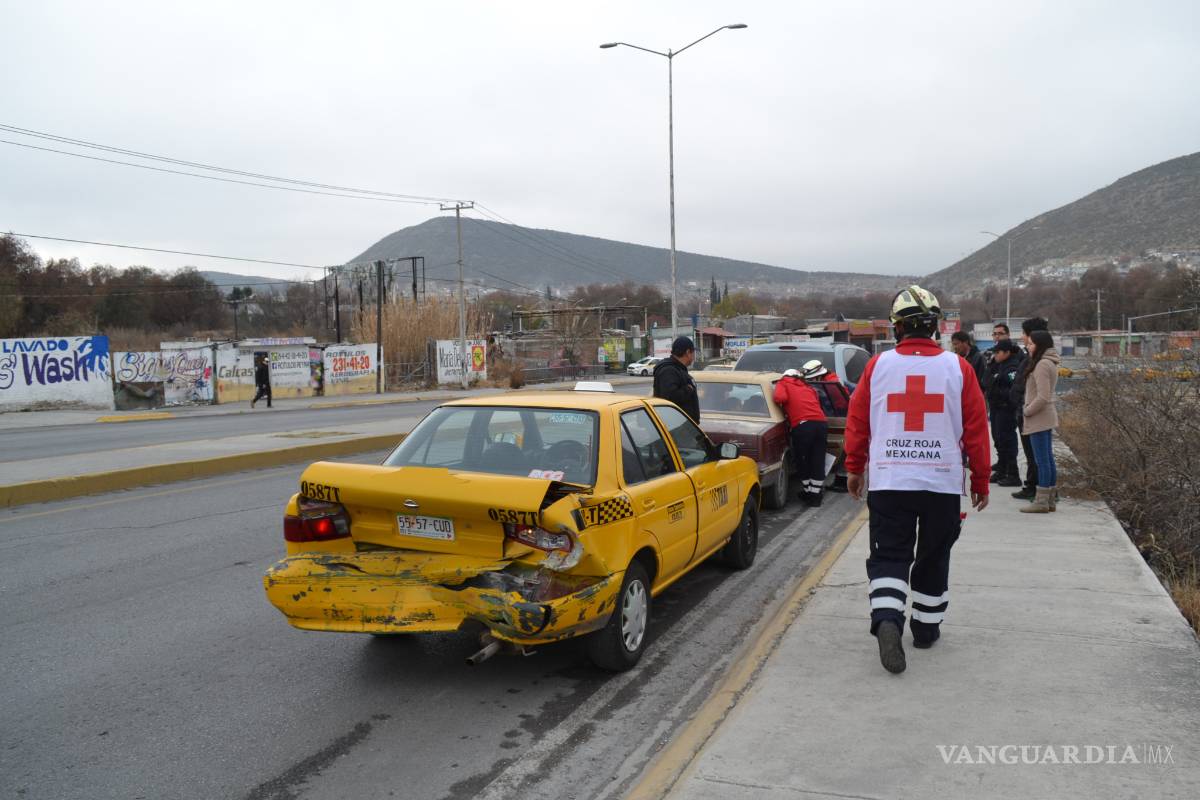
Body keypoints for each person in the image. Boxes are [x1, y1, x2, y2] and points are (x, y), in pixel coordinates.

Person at [844, 285, 990, 674]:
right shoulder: (959, 368)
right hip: (941, 482)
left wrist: (854, 468)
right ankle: (926, 628)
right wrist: (981, 479)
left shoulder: (879, 366)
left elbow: (858, 422)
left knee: (890, 554)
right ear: (936, 327)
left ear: (897, 328)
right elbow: (976, 429)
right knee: (934, 553)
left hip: (890, 480)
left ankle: (889, 619)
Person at [773, 366, 828, 506]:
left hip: (803, 425)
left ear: (785, 375)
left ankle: (808, 491)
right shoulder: (807, 386)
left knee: (802, 459)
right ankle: (815, 495)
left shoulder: (784, 382)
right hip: (821, 424)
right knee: (817, 459)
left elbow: (779, 397)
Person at [1019, 329, 1060, 513]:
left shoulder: (1042, 364)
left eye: (1031, 343)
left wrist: (1027, 411)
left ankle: (1042, 501)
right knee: (1047, 459)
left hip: (1039, 417)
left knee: (1042, 461)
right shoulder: (1049, 362)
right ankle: (1049, 499)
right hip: (1045, 416)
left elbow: (1043, 396)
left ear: (1040, 345)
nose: (1028, 346)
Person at [1010, 317, 1049, 500]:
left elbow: (1041, 394)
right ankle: (1032, 485)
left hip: (1030, 414)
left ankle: (1036, 488)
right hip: (1023, 411)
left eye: (1025, 334)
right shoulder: (1031, 357)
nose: (1023, 338)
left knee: (1036, 455)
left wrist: (1025, 410)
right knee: (1032, 453)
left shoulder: (1039, 361)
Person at [985, 339, 1024, 487]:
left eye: (998, 352)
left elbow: (1013, 390)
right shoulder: (998, 365)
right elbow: (986, 381)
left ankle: (1013, 473)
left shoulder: (1012, 367)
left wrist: (997, 391)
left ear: (1007, 352)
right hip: (996, 407)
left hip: (1006, 408)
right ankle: (1002, 468)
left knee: (1007, 440)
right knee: (998, 438)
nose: (995, 355)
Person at [653, 336, 700, 423]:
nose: (694, 356)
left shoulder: (679, 368)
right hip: (676, 426)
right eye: (693, 352)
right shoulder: (668, 370)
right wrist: (688, 389)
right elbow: (670, 397)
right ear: (688, 352)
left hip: (683, 425)